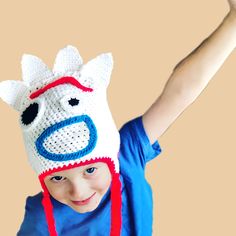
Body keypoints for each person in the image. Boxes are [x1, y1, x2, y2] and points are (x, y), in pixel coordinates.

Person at [1, 1, 236, 235]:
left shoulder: (127, 156)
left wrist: (232, 24)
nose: (79, 192)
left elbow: (179, 94)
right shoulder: (41, 219)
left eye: (91, 170)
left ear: (110, 157)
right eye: (58, 177)